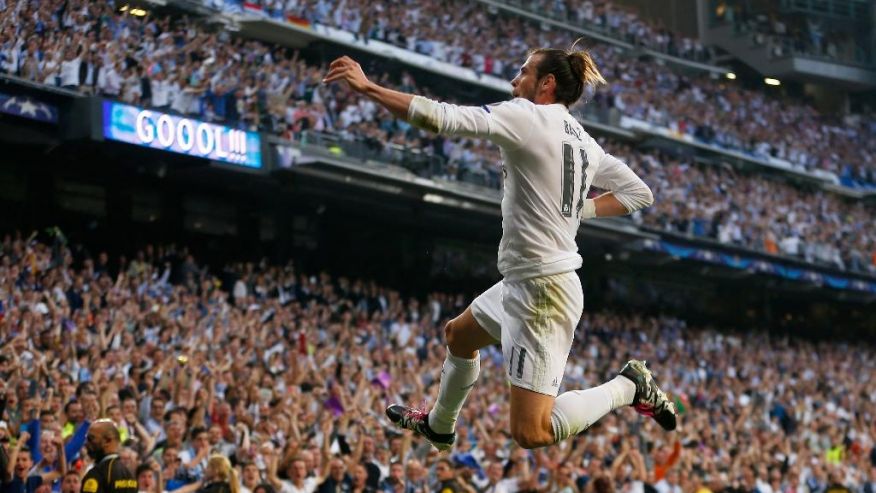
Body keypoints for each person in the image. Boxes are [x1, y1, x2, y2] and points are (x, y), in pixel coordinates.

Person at [322, 41, 677, 450]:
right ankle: (440, 425)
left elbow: (441, 118)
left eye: (523, 72)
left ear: (545, 84)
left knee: (532, 432)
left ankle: (628, 387)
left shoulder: (527, 116)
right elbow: (639, 193)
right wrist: (578, 211)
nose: (514, 80)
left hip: (543, 292)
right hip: (527, 280)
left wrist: (368, 88)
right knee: (459, 336)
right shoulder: (583, 141)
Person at [81, 420, 138, 493]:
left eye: (90, 438)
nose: (86, 443)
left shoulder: (98, 473)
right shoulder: (130, 475)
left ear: (107, 441)